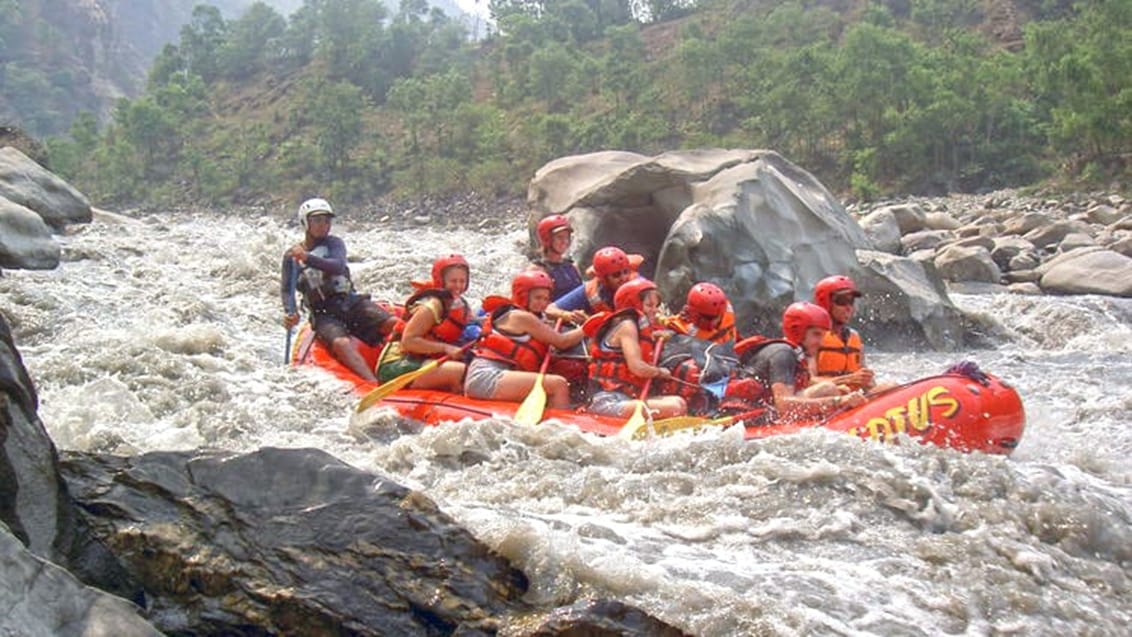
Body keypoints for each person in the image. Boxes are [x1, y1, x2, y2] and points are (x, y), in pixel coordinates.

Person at [281, 197, 396, 382]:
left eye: (327, 220)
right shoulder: (291, 257)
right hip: (323, 314)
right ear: (305, 223)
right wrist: (290, 312)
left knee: (393, 323)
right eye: (317, 220)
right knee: (341, 343)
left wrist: (307, 257)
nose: (323, 225)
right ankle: (373, 384)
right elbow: (287, 289)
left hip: (349, 302)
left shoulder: (334, 244)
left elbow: (337, 266)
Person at [464, 271, 585, 408]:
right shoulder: (520, 317)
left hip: (504, 374)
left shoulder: (533, 316)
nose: (543, 304)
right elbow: (562, 342)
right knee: (558, 384)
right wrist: (588, 327)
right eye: (538, 298)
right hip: (487, 377)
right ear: (523, 296)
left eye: (546, 299)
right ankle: (564, 423)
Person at [735, 302, 866, 422]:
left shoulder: (794, 353)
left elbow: (804, 384)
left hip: (764, 412)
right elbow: (784, 405)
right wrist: (839, 401)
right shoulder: (783, 354)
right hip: (749, 420)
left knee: (831, 389)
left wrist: (843, 388)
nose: (821, 342)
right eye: (816, 334)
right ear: (798, 331)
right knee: (828, 389)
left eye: (822, 335)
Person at [585, 277, 687, 419]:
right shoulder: (627, 326)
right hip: (605, 402)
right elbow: (637, 367)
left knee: (680, 402)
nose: (656, 311)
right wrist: (659, 372)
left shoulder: (641, 328)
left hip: (626, 399)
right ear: (634, 304)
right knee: (675, 407)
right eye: (649, 305)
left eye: (656, 305)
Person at [375, 254, 471, 392]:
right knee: (463, 372)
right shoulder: (431, 307)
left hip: (425, 359)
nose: (458, 286)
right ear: (441, 281)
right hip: (397, 363)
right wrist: (445, 348)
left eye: (462, 281)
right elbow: (408, 341)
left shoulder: (460, 304)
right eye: (453, 281)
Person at [811, 275, 879, 392]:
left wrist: (868, 381)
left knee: (890, 386)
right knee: (829, 388)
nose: (848, 308)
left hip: (853, 401)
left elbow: (866, 383)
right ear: (825, 303)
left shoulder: (854, 336)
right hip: (825, 400)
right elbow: (807, 381)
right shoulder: (812, 337)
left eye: (851, 302)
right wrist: (847, 380)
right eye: (842, 301)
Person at [547, 246, 641, 324]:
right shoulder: (590, 289)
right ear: (604, 278)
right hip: (605, 339)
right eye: (616, 275)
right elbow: (549, 310)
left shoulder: (638, 282)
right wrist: (569, 316)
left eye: (626, 272)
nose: (624, 278)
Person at [663, 282, 739, 345]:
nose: (714, 322)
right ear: (693, 313)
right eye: (707, 318)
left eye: (716, 317)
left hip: (731, 355)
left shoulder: (726, 309)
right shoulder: (681, 327)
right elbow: (665, 323)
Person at [529, 214, 583, 301]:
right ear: (547, 239)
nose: (564, 241)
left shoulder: (572, 266)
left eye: (567, 237)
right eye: (559, 237)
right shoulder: (537, 270)